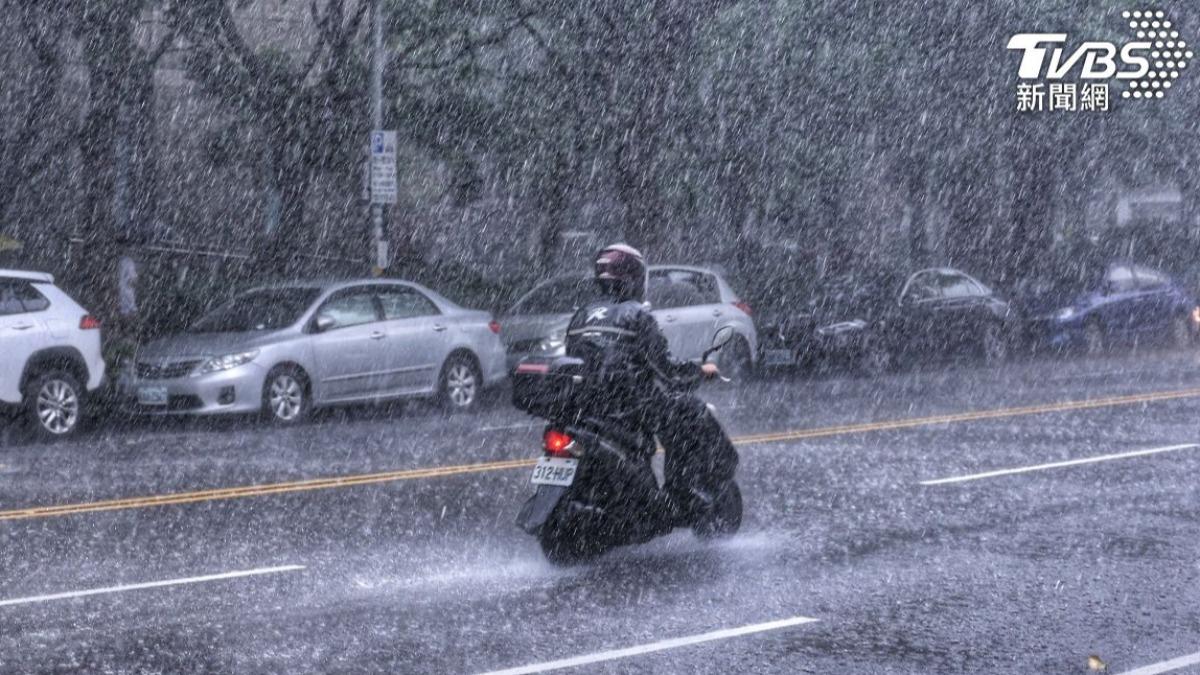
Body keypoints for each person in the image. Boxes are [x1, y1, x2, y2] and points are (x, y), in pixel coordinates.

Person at [564, 243, 739, 524]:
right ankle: (688, 491)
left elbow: (573, 357)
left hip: (588, 409)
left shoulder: (581, 315)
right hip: (630, 408)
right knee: (691, 412)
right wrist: (699, 370)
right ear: (635, 278)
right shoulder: (637, 315)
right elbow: (666, 370)